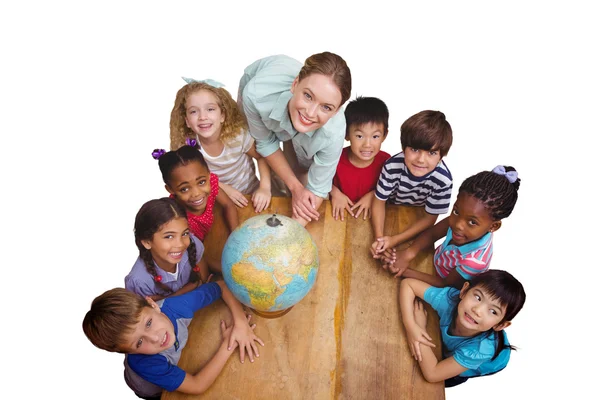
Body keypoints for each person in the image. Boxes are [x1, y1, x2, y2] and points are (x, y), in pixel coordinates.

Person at [82, 284, 264, 399]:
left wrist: (240, 322)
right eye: (139, 343)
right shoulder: (146, 363)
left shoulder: (176, 306)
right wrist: (227, 345)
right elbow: (197, 385)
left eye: (149, 323)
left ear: (153, 305)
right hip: (149, 389)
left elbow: (221, 286)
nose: (155, 338)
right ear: (129, 352)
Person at [237, 52, 352, 226]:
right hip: (266, 101)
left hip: (306, 126)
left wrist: (288, 237)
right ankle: (276, 189)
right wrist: (295, 187)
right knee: (258, 149)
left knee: (300, 168)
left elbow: (317, 188)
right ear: (295, 84)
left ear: (336, 111)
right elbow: (266, 143)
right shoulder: (255, 95)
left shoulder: (333, 132)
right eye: (308, 96)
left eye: (326, 107)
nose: (311, 113)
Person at [387, 166, 521, 289]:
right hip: (433, 262)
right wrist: (409, 253)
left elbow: (445, 284)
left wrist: (405, 271)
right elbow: (433, 234)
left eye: (472, 222)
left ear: (494, 226)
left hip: (442, 287)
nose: (458, 224)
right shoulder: (461, 219)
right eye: (456, 211)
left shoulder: (475, 261)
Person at [398, 269, 526, 387]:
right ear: (464, 291)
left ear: (500, 325)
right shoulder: (449, 300)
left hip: (490, 362)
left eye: (493, 311)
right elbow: (409, 285)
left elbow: (432, 374)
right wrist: (411, 325)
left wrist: (420, 327)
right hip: (467, 342)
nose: (477, 310)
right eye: (478, 297)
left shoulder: (480, 350)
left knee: (445, 379)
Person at [170, 78, 271, 213]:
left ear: (223, 115)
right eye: (194, 111)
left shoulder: (237, 136)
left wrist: (264, 188)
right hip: (215, 203)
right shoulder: (188, 146)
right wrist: (223, 189)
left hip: (250, 197)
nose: (202, 117)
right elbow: (191, 179)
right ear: (187, 121)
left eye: (210, 109)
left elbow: (262, 157)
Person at [370, 110, 453, 260]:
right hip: (389, 212)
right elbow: (379, 202)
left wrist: (395, 240)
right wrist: (379, 238)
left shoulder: (444, 180)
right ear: (404, 148)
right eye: (415, 150)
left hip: (418, 220)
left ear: (442, 156)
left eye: (431, 153)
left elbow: (430, 218)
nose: (421, 160)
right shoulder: (391, 166)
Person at [125, 197, 212, 301]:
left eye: (184, 233)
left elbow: (203, 280)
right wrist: (191, 288)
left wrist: (168, 298)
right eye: (169, 236)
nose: (180, 244)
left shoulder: (193, 244)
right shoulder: (139, 282)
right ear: (147, 242)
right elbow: (147, 314)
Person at [152, 141, 238, 242]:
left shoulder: (212, 184)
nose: (196, 193)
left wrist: (235, 235)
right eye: (184, 189)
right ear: (170, 189)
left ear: (208, 174)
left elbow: (228, 205)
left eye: (201, 182)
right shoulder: (175, 214)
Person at [330, 96, 391, 221]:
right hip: (337, 217)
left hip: (371, 219)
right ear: (346, 134)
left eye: (375, 136)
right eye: (359, 136)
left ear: (384, 136)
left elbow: (395, 189)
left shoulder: (387, 162)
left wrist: (374, 195)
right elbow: (317, 179)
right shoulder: (334, 157)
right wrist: (334, 193)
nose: (367, 144)